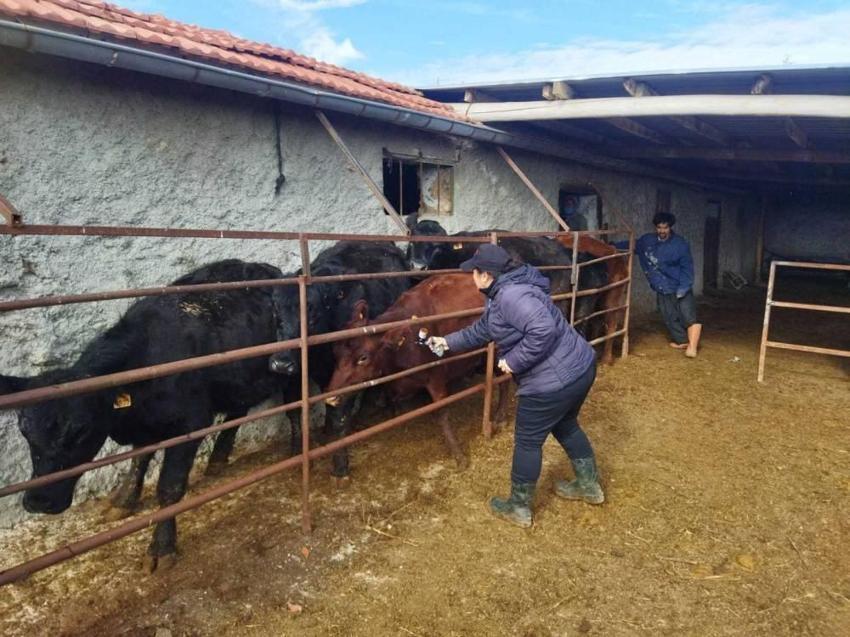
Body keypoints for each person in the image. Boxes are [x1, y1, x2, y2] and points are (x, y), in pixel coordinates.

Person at [426, 244, 603, 528]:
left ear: (486, 275)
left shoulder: (511, 296)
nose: (471, 276)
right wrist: (447, 342)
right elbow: (484, 329)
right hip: (579, 367)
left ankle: (519, 507)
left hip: (552, 382)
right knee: (566, 424)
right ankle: (589, 486)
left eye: (474, 271)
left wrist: (514, 361)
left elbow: (543, 330)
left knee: (527, 442)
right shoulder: (508, 289)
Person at [634, 212, 702, 357]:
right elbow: (632, 244)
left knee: (688, 316)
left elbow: (687, 268)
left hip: (679, 285)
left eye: (665, 228)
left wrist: (683, 289)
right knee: (669, 316)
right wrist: (611, 245)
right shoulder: (647, 241)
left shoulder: (680, 244)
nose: (662, 231)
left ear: (670, 227)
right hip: (661, 287)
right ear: (655, 227)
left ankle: (693, 348)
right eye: (659, 227)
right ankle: (682, 341)